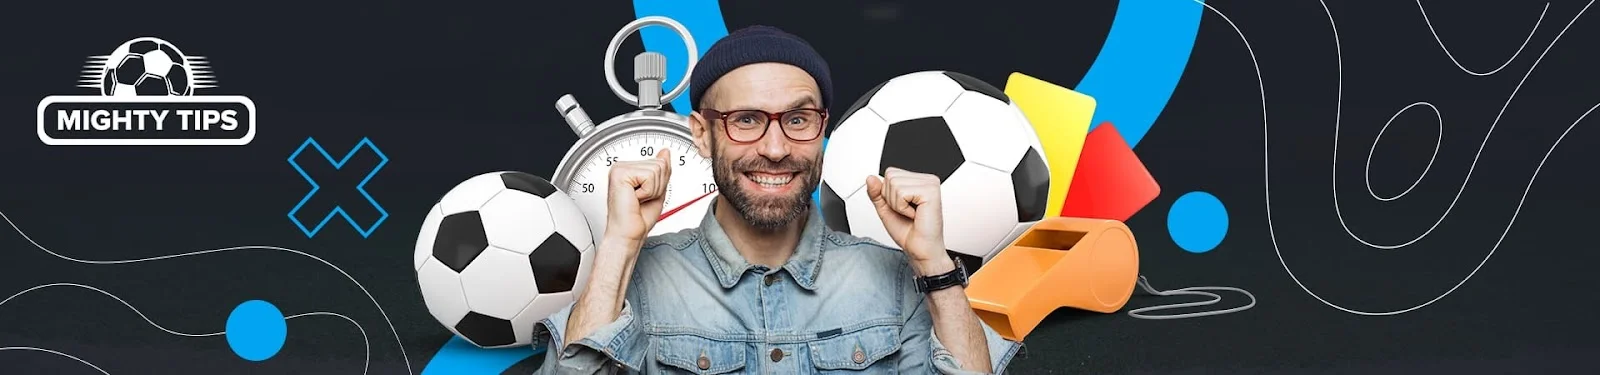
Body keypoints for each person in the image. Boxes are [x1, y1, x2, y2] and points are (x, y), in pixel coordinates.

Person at [533, 25, 1021, 374]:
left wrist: (934, 264)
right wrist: (619, 246)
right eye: (746, 120)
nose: (775, 148)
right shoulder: (635, 283)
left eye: (798, 119)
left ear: (821, 129)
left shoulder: (900, 280)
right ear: (701, 135)